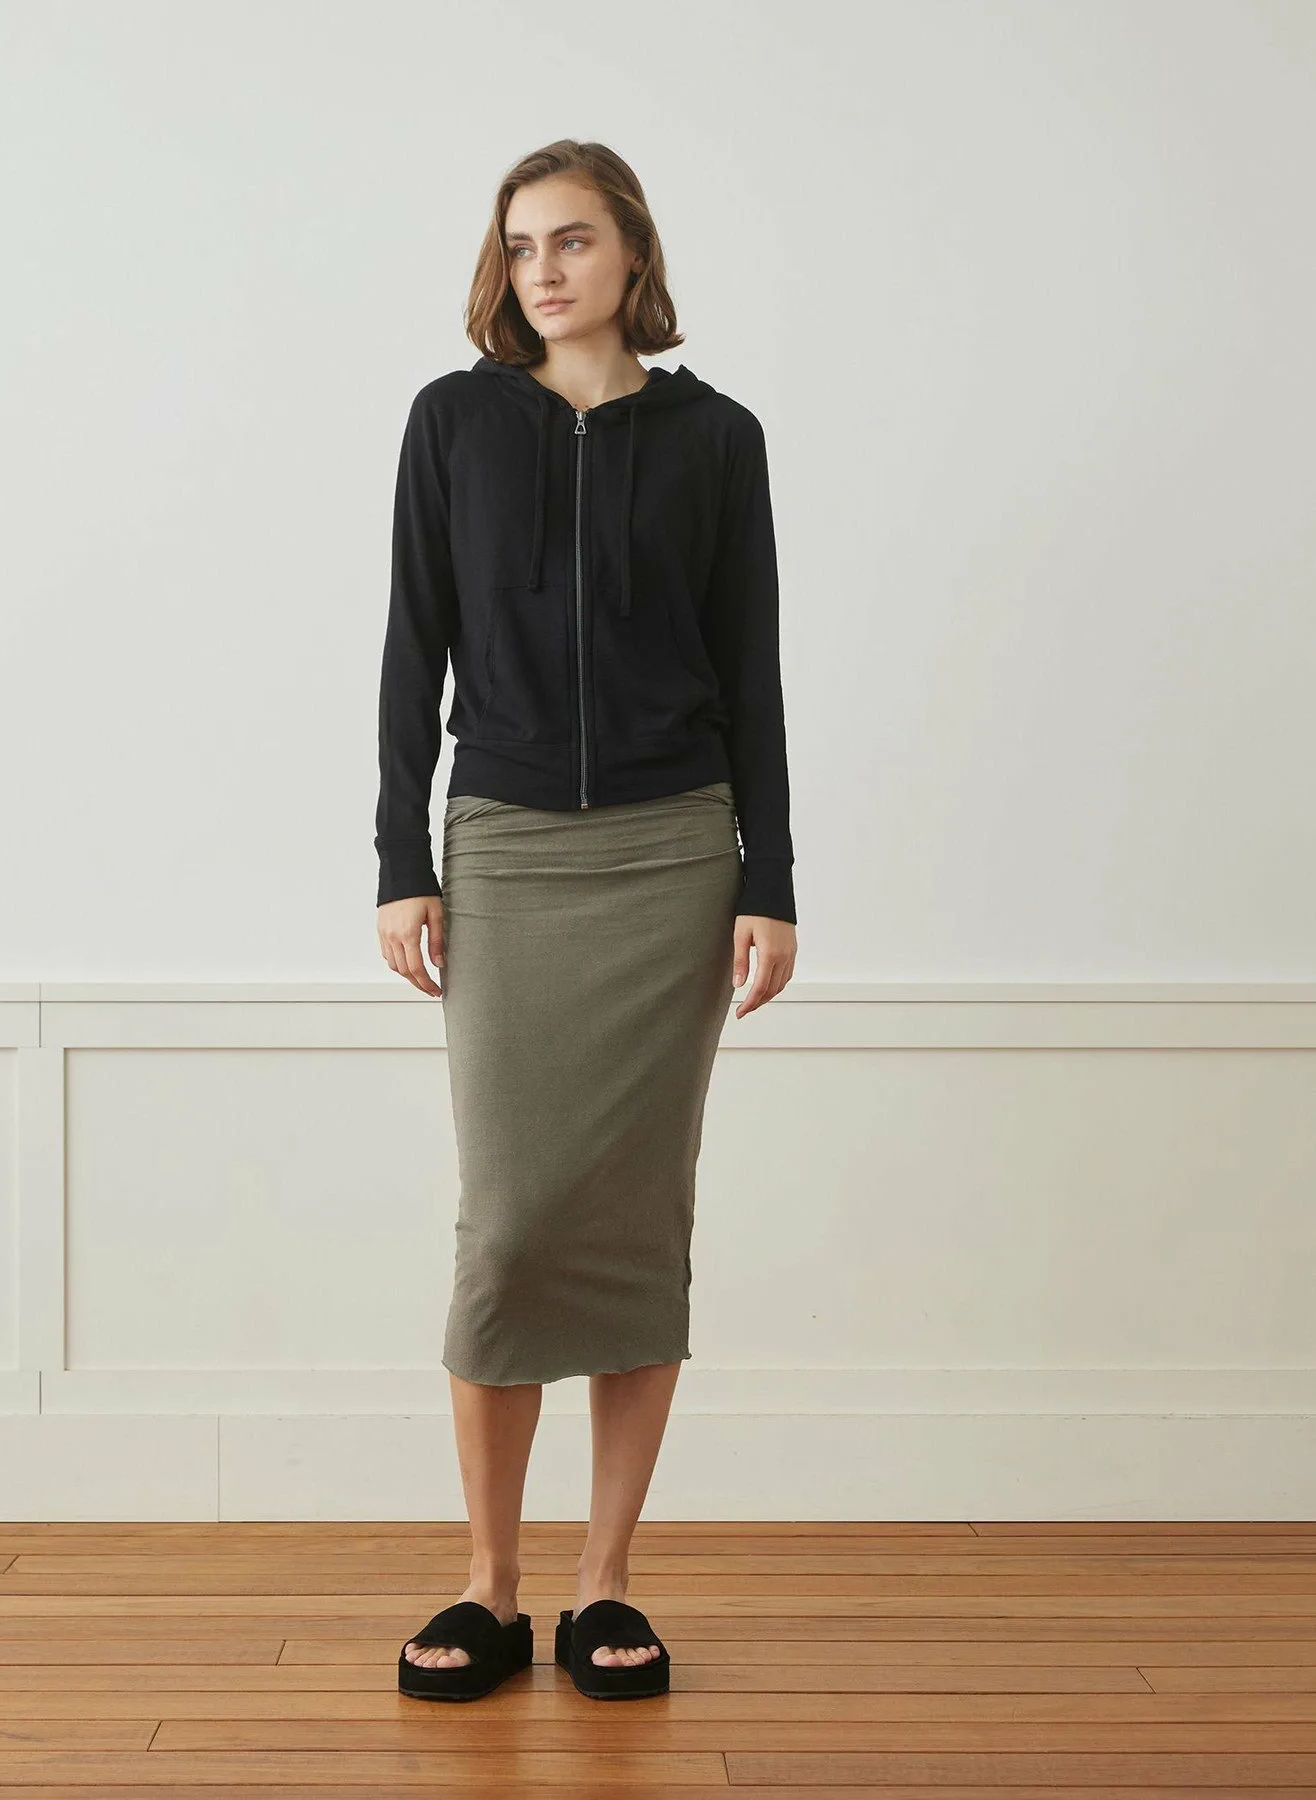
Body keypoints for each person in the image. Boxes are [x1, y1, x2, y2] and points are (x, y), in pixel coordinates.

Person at [375, 139, 797, 1701]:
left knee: (633, 1218)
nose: (543, 269)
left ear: (632, 254)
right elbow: (412, 644)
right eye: (520, 246)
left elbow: (751, 670)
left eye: (571, 240)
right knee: (509, 1222)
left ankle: (605, 1582)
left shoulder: (716, 440)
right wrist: (400, 856)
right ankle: (487, 1583)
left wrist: (770, 879)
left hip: (674, 853)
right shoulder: (453, 423)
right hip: (502, 848)